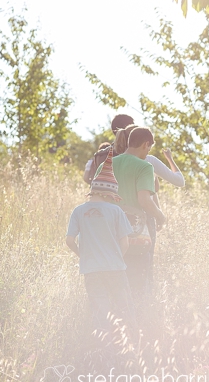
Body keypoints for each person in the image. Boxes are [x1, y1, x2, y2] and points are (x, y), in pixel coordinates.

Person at [66, 155, 135, 347]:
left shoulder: (79, 211)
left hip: (91, 269)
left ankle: (103, 348)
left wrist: (84, 256)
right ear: (110, 194)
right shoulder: (116, 211)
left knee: (100, 309)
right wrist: (116, 259)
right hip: (115, 268)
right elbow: (126, 242)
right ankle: (130, 344)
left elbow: (69, 240)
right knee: (124, 307)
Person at [112, 126, 165, 312]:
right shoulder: (145, 167)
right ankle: (139, 320)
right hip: (136, 231)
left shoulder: (109, 163)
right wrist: (161, 216)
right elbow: (144, 200)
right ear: (145, 145)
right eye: (149, 148)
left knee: (115, 277)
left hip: (111, 231)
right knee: (140, 277)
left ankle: (116, 318)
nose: (148, 152)